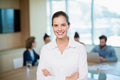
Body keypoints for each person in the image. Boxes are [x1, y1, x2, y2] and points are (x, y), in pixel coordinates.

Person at [37, 11, 88, 80]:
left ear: (68, 26)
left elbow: (83, 77)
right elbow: (40, 77)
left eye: (63, 25)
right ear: (52, 27)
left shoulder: (80, 48)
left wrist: (51, 77)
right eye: (56, 25)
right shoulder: (45, 49)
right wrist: (68, 79)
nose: (59, 29)